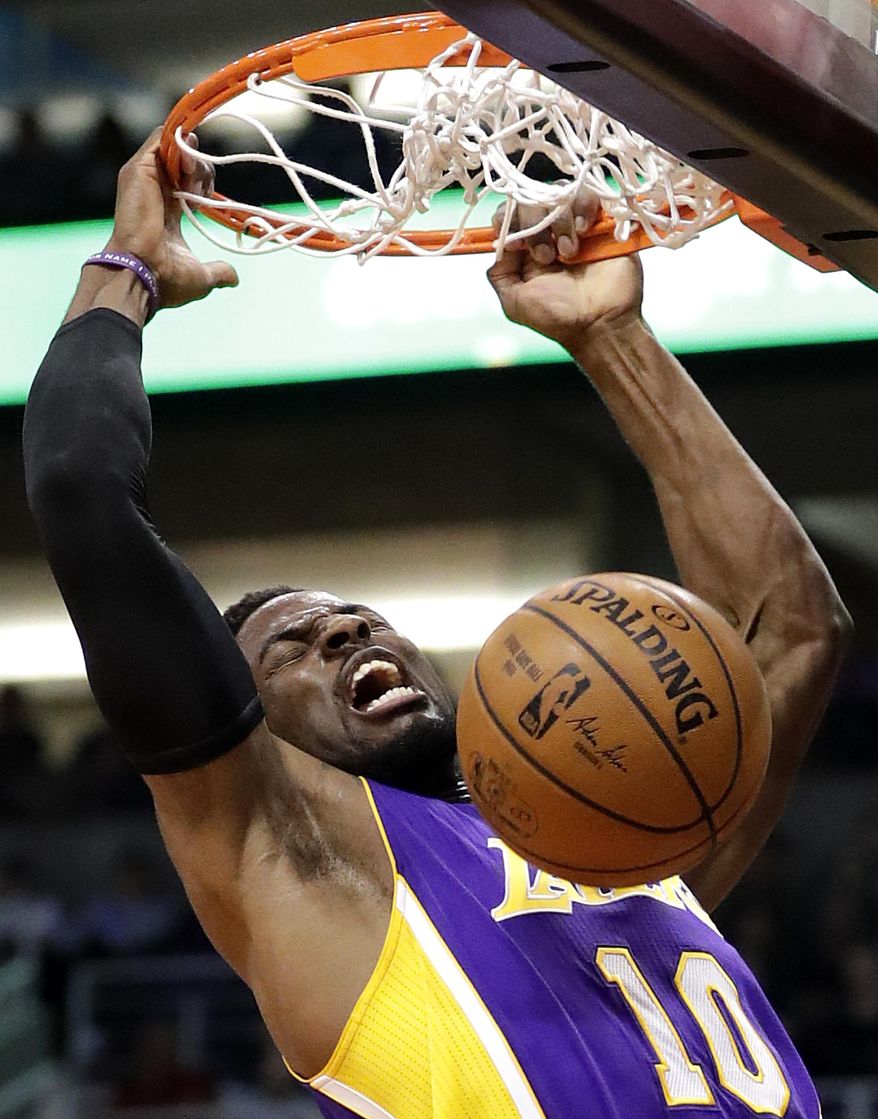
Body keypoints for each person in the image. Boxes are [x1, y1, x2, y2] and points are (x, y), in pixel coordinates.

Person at [24, 129, 849, 1118]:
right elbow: (80, 487)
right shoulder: (295, 853)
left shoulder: (612, 829)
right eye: (291, 647)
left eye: (361, 620)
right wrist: (126, 270)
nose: (344, 635)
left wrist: (611, 338)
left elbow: (792, 629)